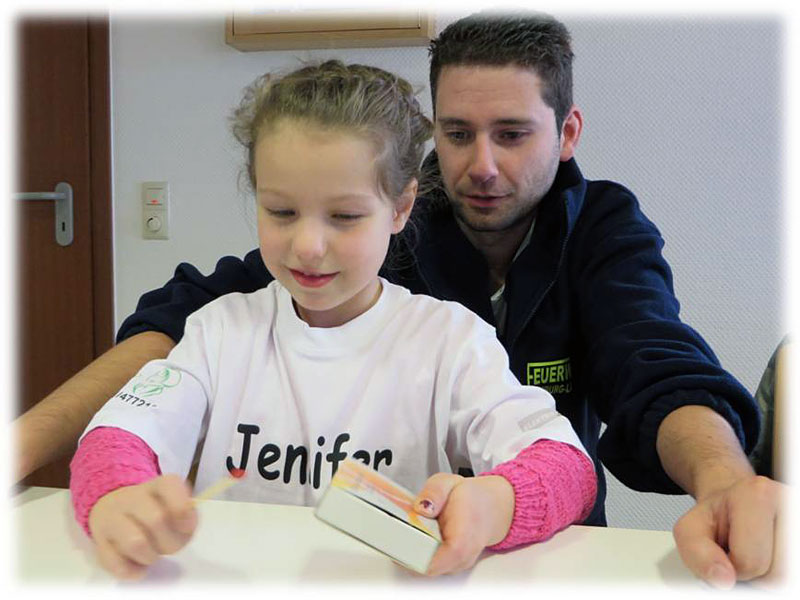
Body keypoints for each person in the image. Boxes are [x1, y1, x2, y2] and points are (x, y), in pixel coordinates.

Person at [15, 11, 784, 588]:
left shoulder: (484, 315)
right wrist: (99, 485)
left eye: (512, 133)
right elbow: (154, 371)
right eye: (456, 133)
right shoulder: (227, 325)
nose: (481, 166)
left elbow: (643, 373)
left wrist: (719, 482)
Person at [68, 60, 597, 580]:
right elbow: (117, 435)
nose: (308, 245)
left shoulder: (450, 342)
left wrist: (493, 503)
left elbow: (566, 464)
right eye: (281, 212)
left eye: (344, 216)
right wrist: (118, 494)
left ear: (400, 207)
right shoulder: (218, 332)